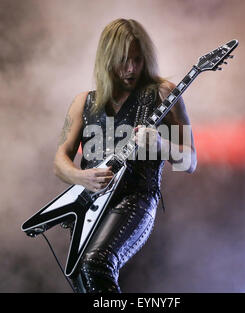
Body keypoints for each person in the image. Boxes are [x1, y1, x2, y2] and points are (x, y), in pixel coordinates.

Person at [53, 18, 197, 293]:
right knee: (82, 277)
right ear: (106, 59)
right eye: (123, 60)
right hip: (90, 207)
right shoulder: (83, 102)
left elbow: (190, 162)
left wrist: (162, 146)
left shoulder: (164, 93)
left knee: (95, 263)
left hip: (136, 198)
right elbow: (59, 161)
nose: (131, 69)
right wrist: (80, 176)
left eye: (138, 59)